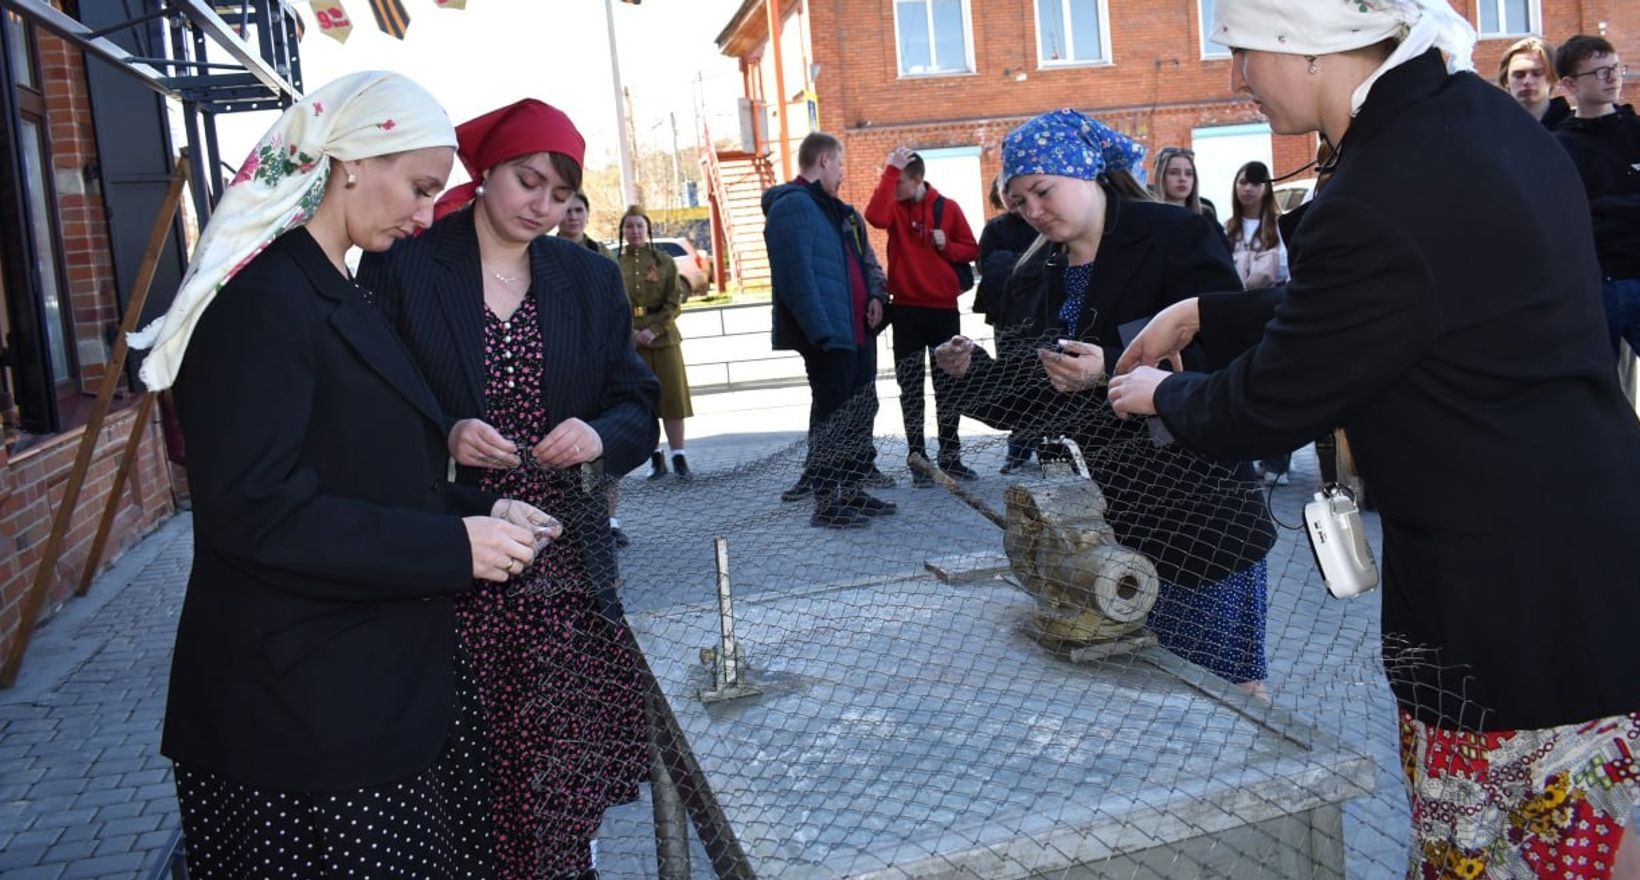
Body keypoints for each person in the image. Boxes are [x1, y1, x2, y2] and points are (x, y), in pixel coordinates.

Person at [1108, 2, 1640, 875]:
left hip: (1507, 612)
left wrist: (1167, 394)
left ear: (1303, 48)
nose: (1238, 77)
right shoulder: (1477, 120)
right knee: (1596, 832)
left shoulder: (1380, 183)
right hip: (1592, 560)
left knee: (1507, 847)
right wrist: (1211, 310)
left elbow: (1275, 402)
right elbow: (1409, 300)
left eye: (1243, 52)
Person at [134, 72, 558, 879]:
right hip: (297, 718)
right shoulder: (261, 298)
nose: (428, 213)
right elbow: (255, 511)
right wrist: (451, 547)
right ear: (355, 159)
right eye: (421, 187)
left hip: (362, 692)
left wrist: (484, 504)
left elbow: (364, 472)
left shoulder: (335, 285)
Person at [357, 98, 661, 880]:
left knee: (563, 766)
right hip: (450, 559)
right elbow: (367, 407)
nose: (544, 207)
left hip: (563, 564)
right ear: (486, 172)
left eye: (561, 195)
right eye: (529, 182)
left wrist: (599, 438)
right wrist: (448, 435)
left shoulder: (588, 277)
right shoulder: (404, 263)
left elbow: (635, 401)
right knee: (474, 773)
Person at [933, 109, 1276, 694]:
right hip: (1098, 528)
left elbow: (1229, 355)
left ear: (1084, 170)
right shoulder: (1034, 271)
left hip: (1196, 510)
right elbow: (1031, 400)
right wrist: (970, 374)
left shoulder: (1175, 235)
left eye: (1042, 191)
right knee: (1142, 700)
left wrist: (1113, 363)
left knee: (1227, 693)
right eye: (1018, 203)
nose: (1033, 211)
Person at [764, 131, 895, 529]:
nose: (841, 172)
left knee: (859, 411)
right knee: (832, 417)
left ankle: (853, 490)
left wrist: (874, 296)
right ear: (823, 160)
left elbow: (859, 261)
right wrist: (821, 332)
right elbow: (797, 277)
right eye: (839, 163)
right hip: (830, 336)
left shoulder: (833, 209)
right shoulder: (793, 206)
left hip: (858, 330)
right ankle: (826, 502)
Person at [866, 147, 981, 486]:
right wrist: (889, 172)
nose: (894, 187)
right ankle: (917, 457)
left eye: (899, 181)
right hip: (906, 311)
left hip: (943, 310)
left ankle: (951, 455)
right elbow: (875, 217)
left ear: (917, 180)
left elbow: (971, 249)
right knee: (910, 388)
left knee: (948, 385)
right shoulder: (895, 209)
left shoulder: (947, 207)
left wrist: (947, 246)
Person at [1554, 35, 1640, 361]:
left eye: (1616, 69)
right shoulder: (1560, 146)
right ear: (1570, 84)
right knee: (1603, 393)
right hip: (1595, 289)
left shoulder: (1635, 131)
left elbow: (1594, 211)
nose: (1613, 78)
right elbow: (1571, 217)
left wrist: (1605, 207)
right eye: (1600, 72)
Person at [1225, 160, 1294, 484]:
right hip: (1236, 317)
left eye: (1256, 182)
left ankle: (1277, 459)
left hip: (1270, 315)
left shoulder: (1280, 227)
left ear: (1267, 188)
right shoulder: (1229, 229)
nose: (1248, 188)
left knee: (1275, 388)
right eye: (1243, 181)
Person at [617, 205, 696, 481]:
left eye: (639, 226)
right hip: (631, 344)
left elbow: (675, 300)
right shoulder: (615, 263)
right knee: (642, 403)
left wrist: (654, 329)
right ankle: (654, 458)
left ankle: (679, 457)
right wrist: (630, 333)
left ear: (647, 229)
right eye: (629, 226)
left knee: (672, 398)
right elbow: (612, 305)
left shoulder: (664, 261)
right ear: (623, 231)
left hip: (664, 340)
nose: (635, 231)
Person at [975, 172, 1042, 473]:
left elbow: (1046, 267)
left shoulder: (1040, 223)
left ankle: (1049, 447)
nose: (1011, 196)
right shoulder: (995, 229)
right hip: (1006, 321)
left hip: (1041, 318)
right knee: (1014, 384)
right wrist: (1018, 265)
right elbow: (989, 268)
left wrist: (1012, 264)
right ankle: (1018, 449)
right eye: (1004, 189)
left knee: (1044, 382)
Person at [1499, 37, 1572, 129]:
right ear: (1506, 80)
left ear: (1553, 78)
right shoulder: (1490, 128)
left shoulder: (1573, 129)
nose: (1527, 81)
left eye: (1537, 74)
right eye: (1519, 75)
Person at [1150, 146, 1222, 223]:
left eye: (1188, 173)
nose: (1182, 178)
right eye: (1174, 173)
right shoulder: (1146, 215)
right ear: (1160, 177)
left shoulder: (1206, 215)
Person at [557, 190, 613, 259]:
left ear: (587, 213)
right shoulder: (545, 252)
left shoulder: (601, 252)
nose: (573, 217)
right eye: (567, 211)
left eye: (579, 210)